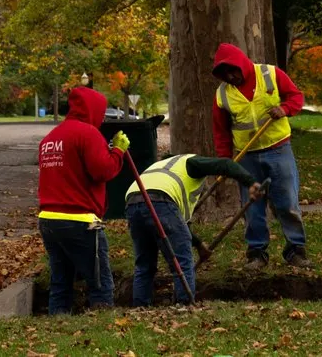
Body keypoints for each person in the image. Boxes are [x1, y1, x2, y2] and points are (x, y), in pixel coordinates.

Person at [211, 42, 308, 269]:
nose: (230, 78)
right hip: (247, 157)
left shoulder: (270, 74)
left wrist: (284, 109)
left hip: (279, 150)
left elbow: (296, 97)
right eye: (224, 75)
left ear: (241, 64)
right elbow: (221, 131)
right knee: (252, 207)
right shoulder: (222, 95)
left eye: (232, 72)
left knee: (287, 203)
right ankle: (257, 253)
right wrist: (225, 161)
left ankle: (296, 250)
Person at [37, 86, 130, 314]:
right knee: (99, 281)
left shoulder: (50, 138)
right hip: (80, 220)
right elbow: (102, 171)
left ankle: (57, 327)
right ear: (94, 110)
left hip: (48, 220)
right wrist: (118, 151)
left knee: (60, 281)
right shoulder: (88, 133)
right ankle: (102, 327)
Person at [125, 154, 264, 306]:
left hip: (133, 203)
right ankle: (184, 305)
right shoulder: (189, 162)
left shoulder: (157, 169)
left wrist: (198, 245)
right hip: (161, 200)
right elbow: (226, 164)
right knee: (182, 259)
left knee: (144, 263)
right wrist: (250, 182)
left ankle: (139, 306)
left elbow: (177, 226)